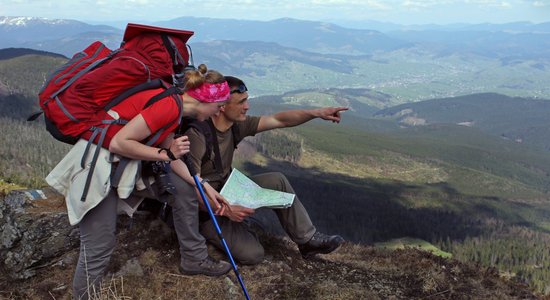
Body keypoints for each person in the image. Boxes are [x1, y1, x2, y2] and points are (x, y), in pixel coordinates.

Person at [47, 64, 233, 300]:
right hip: (97, 169)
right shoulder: (168, 106)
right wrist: (166, 155)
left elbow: (171, 153)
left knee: (184, 188)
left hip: (119, 166)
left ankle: (193, 258)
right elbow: (119, 143)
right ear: (205, 100)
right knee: (98, 246)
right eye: (218, 106)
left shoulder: (176, 106)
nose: (219, 112)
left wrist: (203, 186)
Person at [184, 75, 347, 265]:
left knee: (277, 180)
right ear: (221, 106)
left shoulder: (235, 125)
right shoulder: (197, 135)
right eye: (241, 102)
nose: (247, 107)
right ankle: (214, 235)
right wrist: (225, 211)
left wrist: (316, 113)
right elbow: (189, 189)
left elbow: (279, 120)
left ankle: (308, 240)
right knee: (253, 254)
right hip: (206, 211)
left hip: (228, 192)